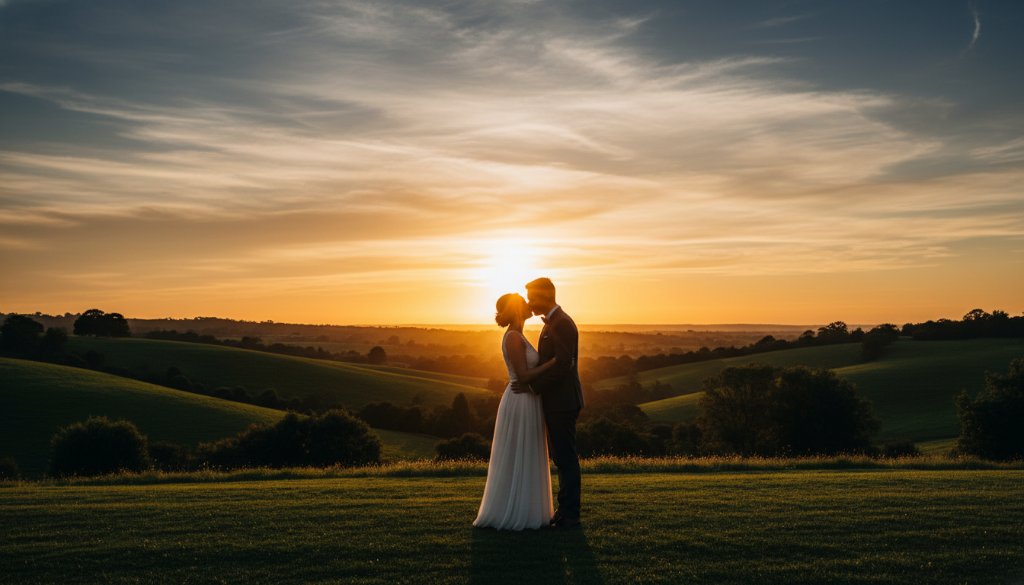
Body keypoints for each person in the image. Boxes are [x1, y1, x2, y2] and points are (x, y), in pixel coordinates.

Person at [473, 293, 558, 530]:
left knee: (527, 451)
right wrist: (553, 363)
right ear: (517, 309)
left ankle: (529, 509)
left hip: (528, 399)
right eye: (524, 302)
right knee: (519, 451)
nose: (530, 305)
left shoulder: (518, 335)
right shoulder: (512, 337)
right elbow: (523, 376)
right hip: (520, 400)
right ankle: (514, 511)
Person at [512, 277, 585, 528]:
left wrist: (533, 387)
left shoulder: (561, 323)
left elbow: (563, 365)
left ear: (545, 296)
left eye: (532, 298)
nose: (530, 303)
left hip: (562, 401)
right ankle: (565, 512)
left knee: (565, 458)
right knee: (561, 458)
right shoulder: (553, 322)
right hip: (556, 400)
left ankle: (570, 515)